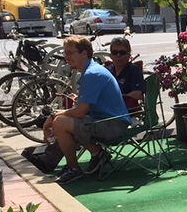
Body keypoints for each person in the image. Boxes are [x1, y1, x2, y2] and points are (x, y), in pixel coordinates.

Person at [43, 36, 131, 186]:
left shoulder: (92, 74)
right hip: (106, 121)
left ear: (84, 54)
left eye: (70, 53)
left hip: (113, 126)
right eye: (65, 53)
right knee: (64, 121)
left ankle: (74, 169)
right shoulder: (91, 70)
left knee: (60, 123)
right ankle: (97, 154)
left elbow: (79, 113)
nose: (66, 57)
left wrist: (52, 116)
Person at [107, 38, 145, 111]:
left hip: (128, 112)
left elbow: (138, 94)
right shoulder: (107, 71)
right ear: (111, 56)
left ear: (128, 55)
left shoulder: (134, 70)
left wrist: (119, 98)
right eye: (115, 52)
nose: (118, 55)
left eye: (122, 52)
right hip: (107, 111)